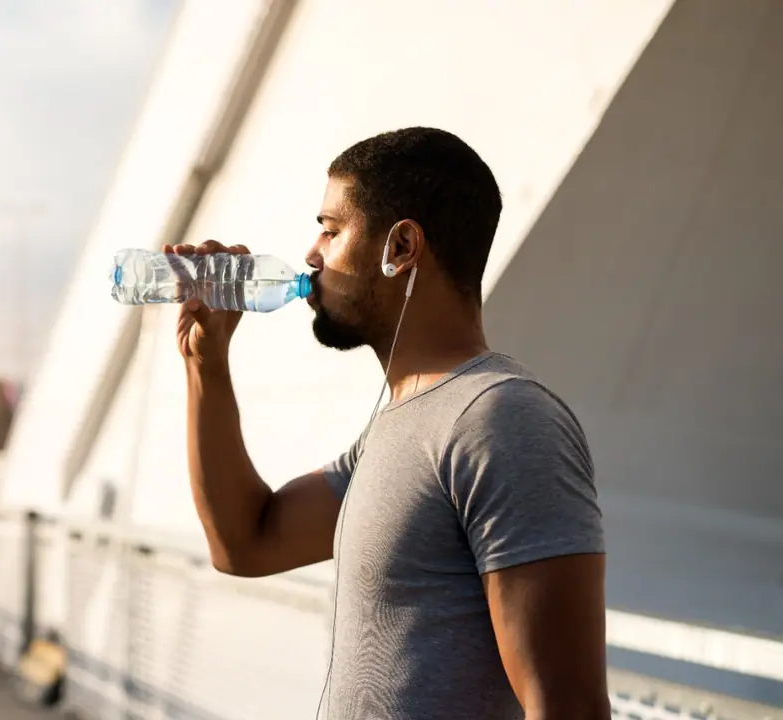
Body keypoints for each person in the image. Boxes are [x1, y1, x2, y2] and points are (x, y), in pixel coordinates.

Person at [166, 127, 608, 720]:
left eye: (330, 229)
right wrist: (206, 366)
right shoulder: (396, 427)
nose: (311, 255)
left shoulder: (501, 419)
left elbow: (567, 706)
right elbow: (246, 541)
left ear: (400, 247)